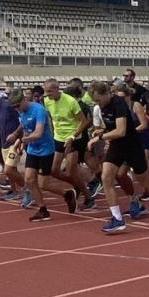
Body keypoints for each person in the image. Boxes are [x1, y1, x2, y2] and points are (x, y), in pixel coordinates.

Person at [88, 82, 149, 233]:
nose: (97, 104)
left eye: (98, 100)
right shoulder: (103, 107)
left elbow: (121, 131)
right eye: (95, 101)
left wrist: (100, 137)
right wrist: (100, 131)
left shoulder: (119, 103)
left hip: (132, 146)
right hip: (117, 146)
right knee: (106, 177)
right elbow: (111, 127)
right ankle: (117, 219)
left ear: (106, 94)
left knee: (145, 181)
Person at [10, 88, 76, 222]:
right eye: (14, 107)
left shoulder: (38, 110)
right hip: (33, 150)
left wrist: (24, 140)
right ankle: (42, 209)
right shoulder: (21, 112)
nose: (16, 109)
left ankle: (67, 193)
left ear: (24, 100)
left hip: (46, 150)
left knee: (43, 184)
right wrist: (19, 141)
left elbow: (38, 133)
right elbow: (26, 128)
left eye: (17, 106)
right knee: (29, 180)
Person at [43, 78, 94, 212]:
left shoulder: (70, 101)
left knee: (71, 171)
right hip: (58, 138)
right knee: (54, 171)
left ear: (57, 89)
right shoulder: (47, 101)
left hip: (74, 138)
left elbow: (84, 121)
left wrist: (73, 136)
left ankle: (88, 197)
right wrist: (52, 134)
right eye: (45, 91)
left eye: (49, 91)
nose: (47, 94)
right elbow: (51, 119)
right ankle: (78, 185)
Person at [0, 86, 27, 204]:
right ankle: (14, 191)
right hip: (4, 142)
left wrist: (17, 134)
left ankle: (28, 190)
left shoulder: (8, 105)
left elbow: (23, 119)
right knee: (12, 169)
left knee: (8, 169)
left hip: (15, 141)